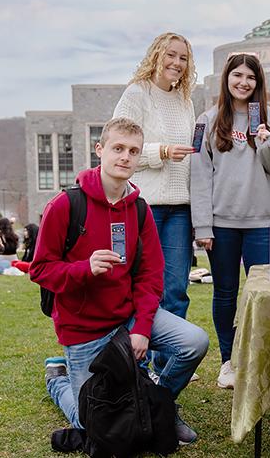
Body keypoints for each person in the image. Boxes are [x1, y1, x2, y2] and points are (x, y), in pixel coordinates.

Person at [30, 117, 209, 445]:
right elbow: (40, 269)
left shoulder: (139, 209)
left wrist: (141, 328)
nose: (125, 157)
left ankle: (158, 405)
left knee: (194, 341)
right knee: (95, 425)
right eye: (118, 148)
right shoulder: (66, 205)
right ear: (100, 150)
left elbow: (151, 276)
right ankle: (58, 379)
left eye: (133, 151)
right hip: (83, 330)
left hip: (125, 318)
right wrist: (85, 268)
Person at [191, 53, 270, 389]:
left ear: (258, 83)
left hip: (262, 224)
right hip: (222, 225)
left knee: (262, 295)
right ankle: (228, 362)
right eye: (237, 75)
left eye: (250, 77)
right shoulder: (207, 120)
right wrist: (203, 226)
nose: (243, 83)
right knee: (225, 293)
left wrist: (264, 144)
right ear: (227, 79)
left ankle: (263, 359)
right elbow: (200, 177)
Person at [113, 32, 197, 321]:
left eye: (183, 58)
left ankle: (172, 365)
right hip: (144, 206)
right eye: (170, 55)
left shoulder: (185, 101)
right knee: (142, 286)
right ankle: (139, 360)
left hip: (181, 209)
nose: (177, 62)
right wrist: (160, 151)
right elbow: (117, 149)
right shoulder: (136, 93)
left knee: (176, 289)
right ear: (156, 56)